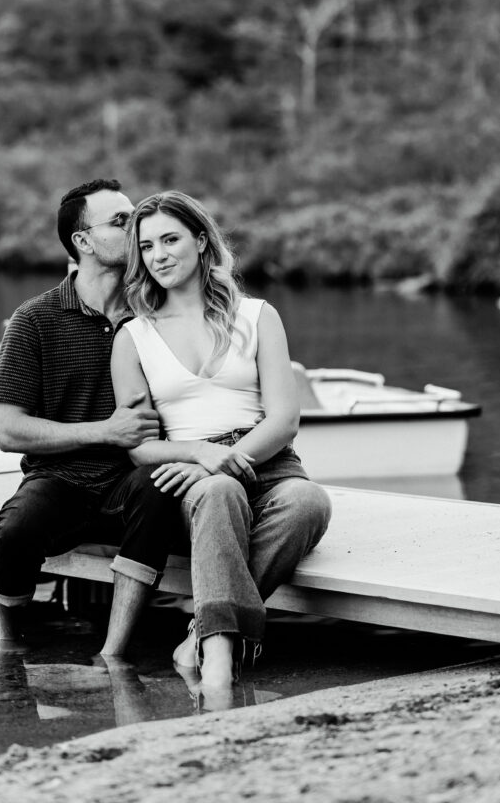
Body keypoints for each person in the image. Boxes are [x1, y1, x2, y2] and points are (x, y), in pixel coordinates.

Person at [110, 190, 332, 687]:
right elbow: (138, 445)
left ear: (203, 242)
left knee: (308, 502)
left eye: (170, 239)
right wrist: (200, 455)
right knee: (219, 490)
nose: (159, 255)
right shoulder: (134, 336)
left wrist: (226, 456)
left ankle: (199, 633)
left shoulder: (256, 315)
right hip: (191, 475)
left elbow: (284, 418)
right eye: (147, 247)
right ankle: (218, 665)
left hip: (267, 460)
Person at [0, 179, 183, 656]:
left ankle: (114, 652)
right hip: (62, 480)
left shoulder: (159, 313)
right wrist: (105, 431)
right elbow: (9, 430)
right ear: (82, 241)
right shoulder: (34, 320)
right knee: (15, 529)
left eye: (134, 215)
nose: (136, 227)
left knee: (159, 486)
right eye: (120, 221)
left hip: (133, 483)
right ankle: (8, 648)